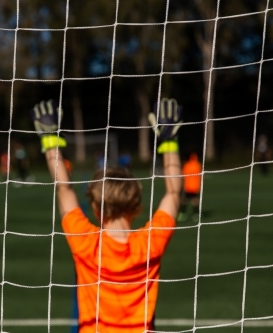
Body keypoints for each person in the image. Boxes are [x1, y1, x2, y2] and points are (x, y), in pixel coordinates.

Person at [31, 99, 182, 332]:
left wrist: (51, 141)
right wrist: (169, 142)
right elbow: (174, 193)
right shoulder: (150, 244)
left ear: (96, 208)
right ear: (137, 208)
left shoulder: (85, 241)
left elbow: (64, 188)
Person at [179, 152, 202, 222]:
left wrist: (182, 186)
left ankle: (182, 214)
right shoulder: (198, 165)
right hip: (195, 187)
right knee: (194, 201)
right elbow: (200, 176)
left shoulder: (187, 165)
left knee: (184, 201)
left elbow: (183, 176)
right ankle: (196, 215)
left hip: (188, 186)